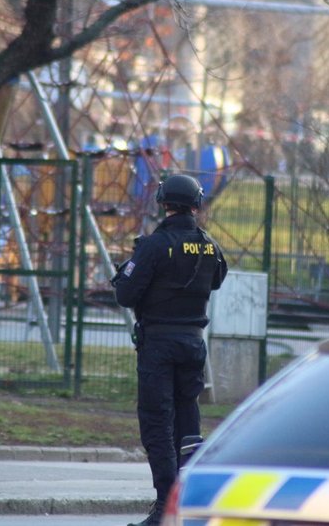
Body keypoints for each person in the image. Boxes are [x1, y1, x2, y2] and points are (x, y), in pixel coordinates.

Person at [112, 174, 228, 526]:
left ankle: (166, 504)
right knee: (187, 419)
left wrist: (130, 266)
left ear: (163, 203)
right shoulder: (210, 245)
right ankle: (188, 501)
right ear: (196, 204)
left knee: (157, 422)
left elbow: (125, 294)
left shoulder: (154, 245)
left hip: (159, 344)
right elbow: (218, 278)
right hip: (194, 343)